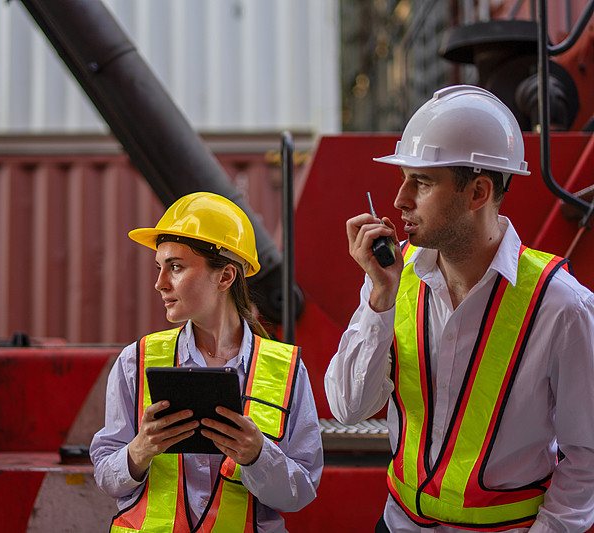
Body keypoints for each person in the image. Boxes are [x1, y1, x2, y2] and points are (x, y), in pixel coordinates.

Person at [325, 85, 594, 533]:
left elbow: (586, 456)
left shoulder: (563, 307)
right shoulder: (392, 282)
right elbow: (349, 408)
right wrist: (378, 300)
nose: (399, 200)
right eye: (404, 178)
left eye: (422, 182)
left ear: (478, 192)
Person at [91, 191, 323, 532]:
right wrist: (140, 449)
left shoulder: (284, 370)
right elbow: (106, 477)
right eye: (159, 267)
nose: (159, 283)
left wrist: (259, 455)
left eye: (176, 267)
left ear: (225, 277)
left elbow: (301, 492)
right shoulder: (135, 362)